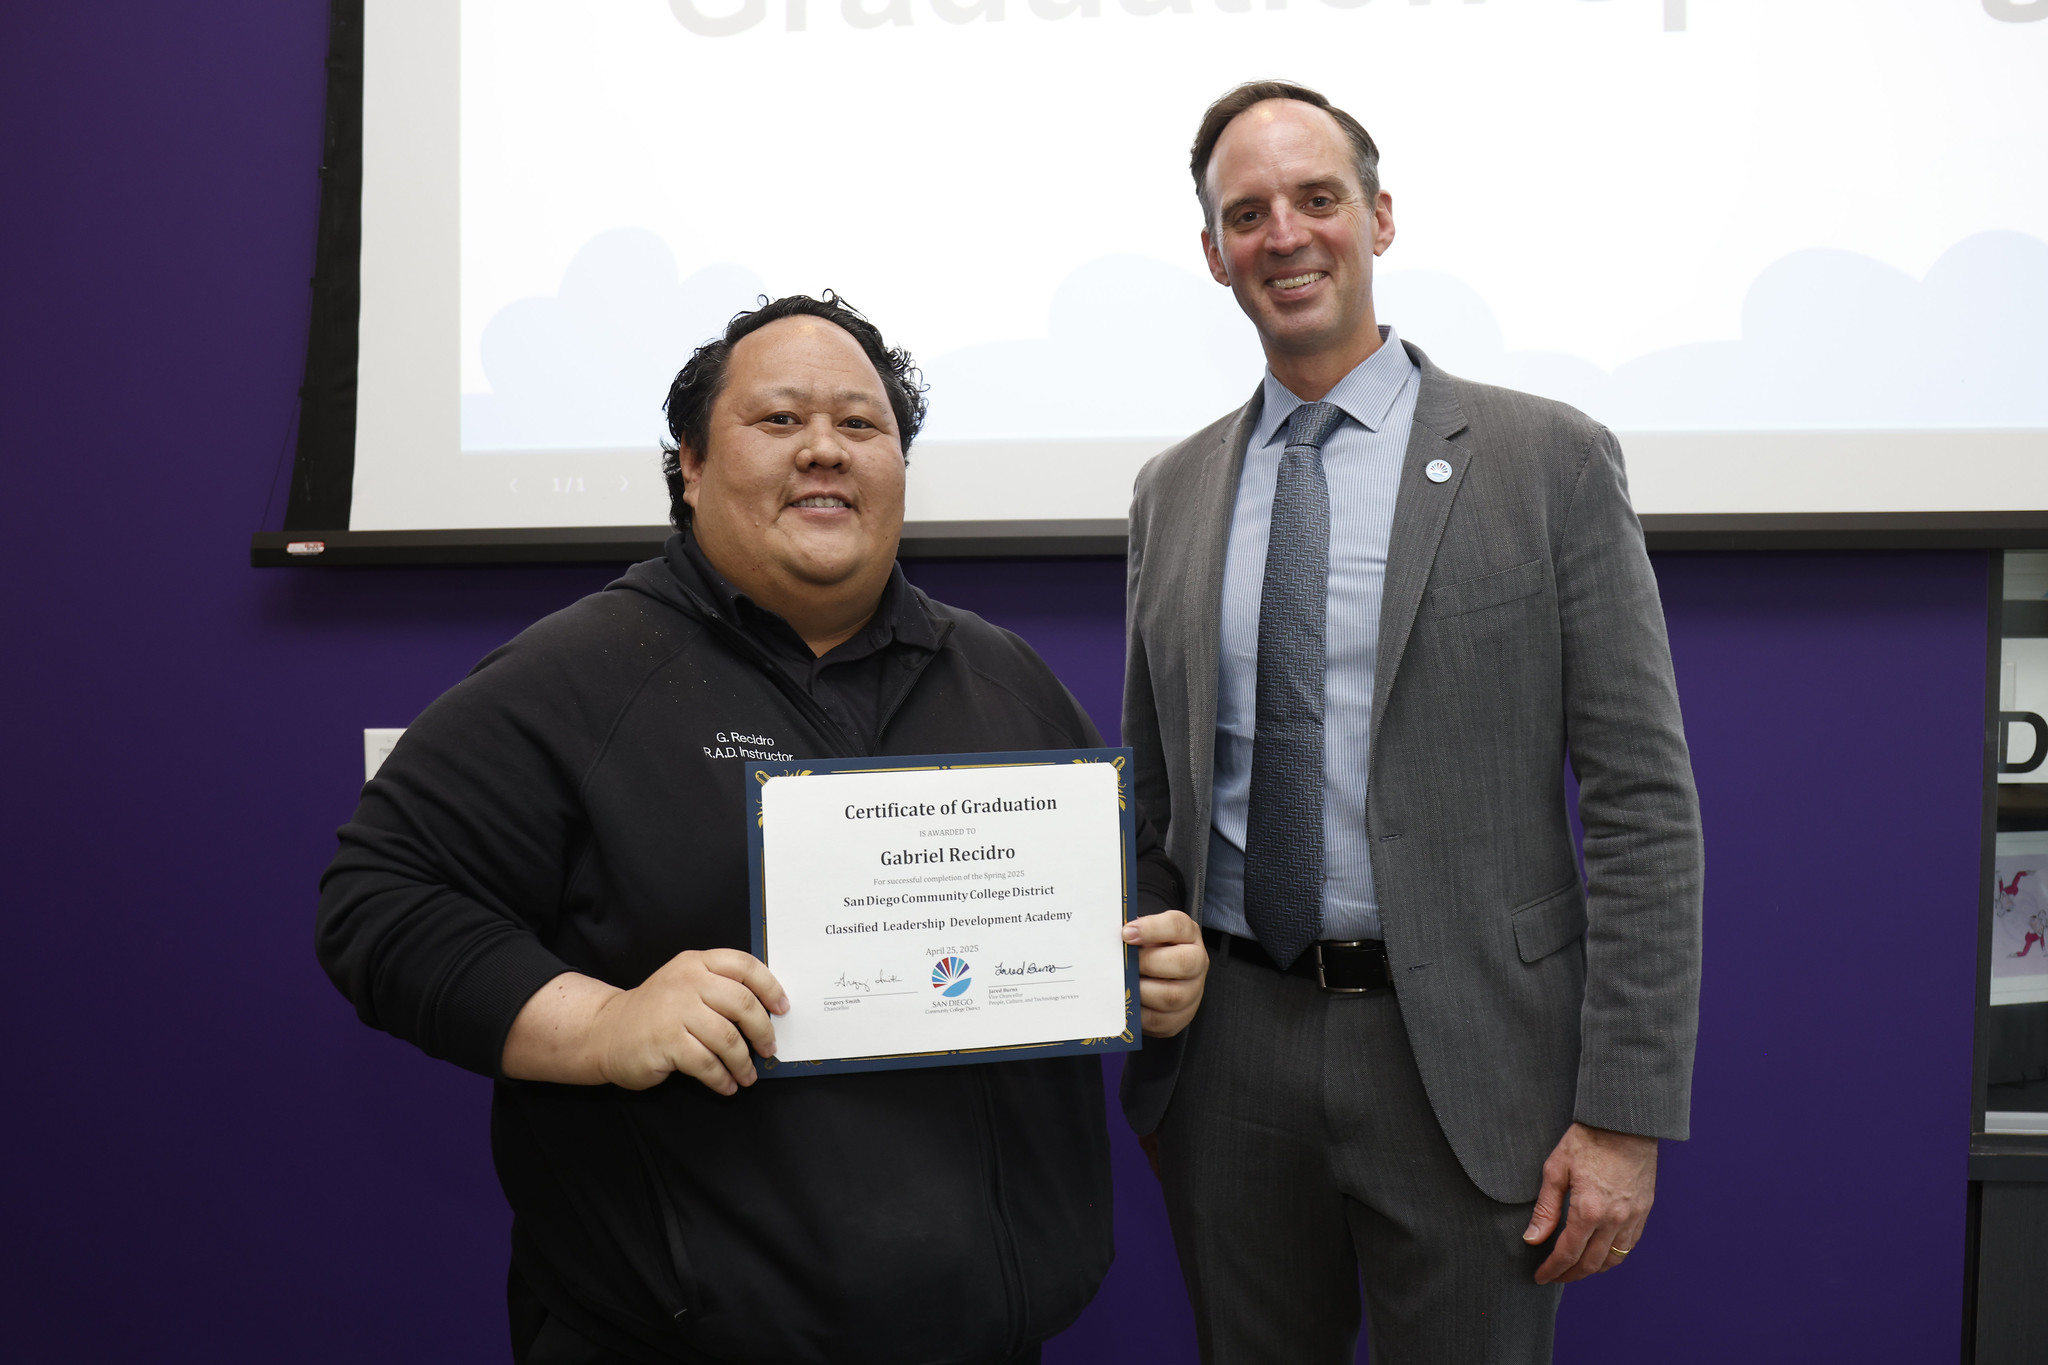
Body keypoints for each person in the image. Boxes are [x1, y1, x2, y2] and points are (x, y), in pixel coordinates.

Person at [317, 294, 1207, 1365]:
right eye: (778, 421)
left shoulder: (1001, 675)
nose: (825, 450)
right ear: (687, 467)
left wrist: (1156, 954)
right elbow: (380, 904)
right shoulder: (575, 676)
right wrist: (603, 1023)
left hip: (992, 1336)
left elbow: (1127, 883)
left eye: (861, 425)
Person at [1119, 81, 1705, 1364]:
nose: (1285, 234)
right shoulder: (1169, 493)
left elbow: (1642, 807)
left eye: (1316, 199)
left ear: (1377, 219)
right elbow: (1154, 799)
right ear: (1213, 253)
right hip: (1232, 1058)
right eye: (1247, 213)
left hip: (1470, 1064)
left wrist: (1622, 1115)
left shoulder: (1543, 458)